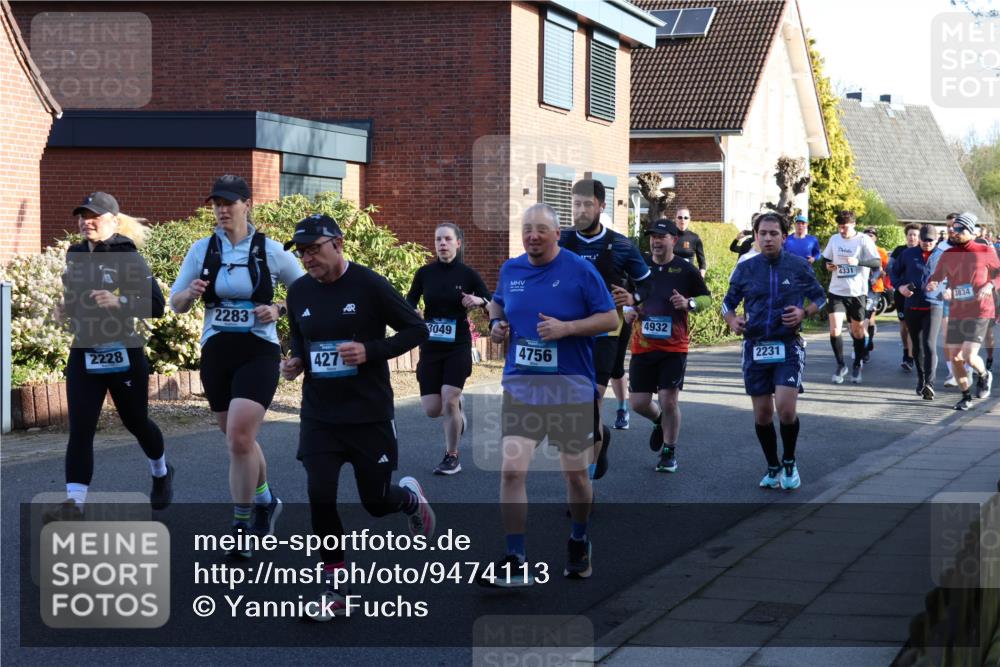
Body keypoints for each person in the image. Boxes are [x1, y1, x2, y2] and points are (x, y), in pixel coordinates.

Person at [280, 213, 433, 619]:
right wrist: (297, 359)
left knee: (376, 502)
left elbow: (417, 331)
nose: (308, 257)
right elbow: (301, 334)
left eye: (315, 248)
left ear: (339, 243)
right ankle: (334, 584)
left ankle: (410, 499)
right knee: (320, 494)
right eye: (303, 251)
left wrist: (370, 351)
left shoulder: (369, 285)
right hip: (320, 414)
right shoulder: (297, 292)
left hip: (368, 414)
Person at [482, 203, 617, 585]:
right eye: (527, 229)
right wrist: (496, 323)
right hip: (523, 386)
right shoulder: (512, 269)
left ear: (558, 234)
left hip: (569, 387)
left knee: (575, 476)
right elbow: (499, 302)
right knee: (511, 471)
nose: (533, 235)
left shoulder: (580, 269)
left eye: (542, 229)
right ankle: (515, 556)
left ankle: (579, 540)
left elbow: (610, 318)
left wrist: (568, 328)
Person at [169, 175, 303, 554]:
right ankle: (266, 500)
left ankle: (241, 526)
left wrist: (277, 309)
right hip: (216, 351)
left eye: (229, 203)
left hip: (258, 350)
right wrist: (190, 294)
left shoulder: (271, 250)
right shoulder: (201, 250)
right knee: (238, 439)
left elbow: (308, 290)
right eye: (216, 204)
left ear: (247, 204)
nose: (222, 210)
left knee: (239, 439)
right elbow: (175, 302)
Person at [43, 192, 172, 522]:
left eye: (94, 216)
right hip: (85, 350)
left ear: (113, 220)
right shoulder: (74, 254)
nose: (86, 221)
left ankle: (160, 472)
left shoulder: (127, 255)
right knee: (81, 428)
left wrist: (121, 303)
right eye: (82, 216)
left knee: (135, 421)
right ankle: (75, 504)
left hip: (124, 350)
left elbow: (156, 306)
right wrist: (64, 309)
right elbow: (75, 298)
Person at [722, 212, 826, 490]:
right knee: (763, 415)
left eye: (774, 233)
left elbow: (820, 297)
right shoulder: (745, 268)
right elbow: (727, 303)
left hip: (787, 345)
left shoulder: (798, 266)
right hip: (755, 346)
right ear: (755, 236)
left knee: (786, 409)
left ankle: (789, 461)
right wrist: (733, 320)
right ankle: (772, 466)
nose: (768, 238)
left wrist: (803, 312)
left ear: (784, 236)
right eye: (763, 233)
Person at [559, 179, 650, 477]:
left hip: (606, 332)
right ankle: (603, 437)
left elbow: (649, 283)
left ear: (601, 205)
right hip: (570, 333)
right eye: (576, 204)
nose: (581, 210)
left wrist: (634, 298)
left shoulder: (622, 245)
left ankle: (585, 478)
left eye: (587, 204)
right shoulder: (560, 242)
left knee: (590, 402)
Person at [624, 219, 711, 473]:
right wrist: (628, 310)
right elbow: (627, 297)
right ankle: (659, 420)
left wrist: (689, 304)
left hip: (674, 347)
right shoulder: (640, 268)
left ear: (674, 240)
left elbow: (706, 298)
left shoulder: (685, 269)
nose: (656, 241)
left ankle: (669, 451)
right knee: (638, 403)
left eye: (662, 237)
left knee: (668, 399)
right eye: (652, 236)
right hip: (642, 345)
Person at [406, 223, 491, 475]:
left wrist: (479, 300)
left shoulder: (468, 274)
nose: (442, 243)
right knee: (433, 409)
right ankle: (456, 408)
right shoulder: (424, 273)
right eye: (438, 240)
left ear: (457, 243)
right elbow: (409, 301)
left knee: (449, 398)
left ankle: (452, 456)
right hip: (431, 345)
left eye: (446, 239)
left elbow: (492, 302)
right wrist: (414, 313)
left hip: (458, 344)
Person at [927, 212, 1000, 410]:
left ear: (971, 231)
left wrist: (991, 285)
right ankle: (966, 396)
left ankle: (984, 375)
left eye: (959, 229)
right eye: (953, 228)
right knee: (956, 357)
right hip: (958, 310)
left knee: (968, 355)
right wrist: (932, 283)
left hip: (981, 310)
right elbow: (937, 275)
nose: (954, 232)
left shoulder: (984, 250)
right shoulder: (948, 254)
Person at [821, 210, 882, 384]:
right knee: (834, 329)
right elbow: (825, 259)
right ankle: (841, 365)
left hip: (857, 293)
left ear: (854, 224)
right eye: (840, 227)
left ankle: (856, 363)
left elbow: (876, 262)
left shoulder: (863, 240)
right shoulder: (834, 239)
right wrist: (828, 265)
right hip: (837, 291)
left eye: (845, 227)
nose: (842, 230)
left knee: (857, 332)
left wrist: (858, 262)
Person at [890, 225, 943, 400]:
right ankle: (921, 379)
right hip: (912, 306)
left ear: (936, 240)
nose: (927, 243)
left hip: (933, 306)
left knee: (929, 344)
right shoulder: (907, 254)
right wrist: (901, 287)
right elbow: (894, 274)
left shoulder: (943, 256)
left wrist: (941, 285)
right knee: (917, 346)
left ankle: (930, 383)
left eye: (930, 240)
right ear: (919, 239)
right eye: (924, 239)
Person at [888, 223, 921, 370]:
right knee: (904, 326)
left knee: (913, 326)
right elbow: (890, 268)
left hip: (918, 294)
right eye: (910, 235)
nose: (912, 237)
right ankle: (906, 351)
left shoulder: (923, 251)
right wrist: (900, 284)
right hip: (901, 293)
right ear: (906, 236)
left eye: (915, 235)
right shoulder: (899, 250)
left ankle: (910, 358)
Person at [861, 226, 890, 362]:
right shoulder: (859, 250)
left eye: (872, 235)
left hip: (874, 288)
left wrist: (883, 273)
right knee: (860, 320)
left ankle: (865, 348)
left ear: (875, 238)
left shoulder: (881, 251)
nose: (869, 237)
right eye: (867, 235)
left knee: (868, 319)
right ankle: (867, 342)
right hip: (859, 288)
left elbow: (888, 268)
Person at [672, 207, 707, 277]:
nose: (683, 220)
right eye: (680, 217)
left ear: (689, 219)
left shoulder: (695, 238)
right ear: (675, 219)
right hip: (671, 276)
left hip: (688, 277)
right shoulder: (669, 236)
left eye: (686, 218)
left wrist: (700, 278)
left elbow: (702, 263)